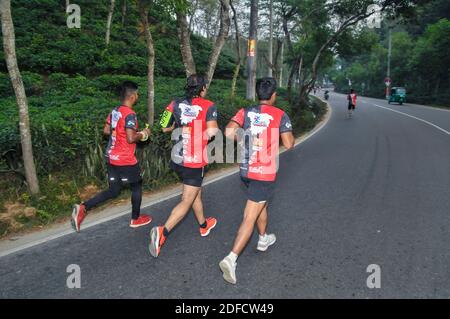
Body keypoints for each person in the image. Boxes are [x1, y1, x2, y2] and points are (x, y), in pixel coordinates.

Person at [219, 77, 295, 284]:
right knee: (249, 217)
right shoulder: (280, 114)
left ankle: (263, 239)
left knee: (261, 203)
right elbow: (289, 144)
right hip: (264, 173)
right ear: (273, 95)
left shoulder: (245, 112)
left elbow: (227, 132)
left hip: (245, 171)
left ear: (257, 93)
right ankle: (231, 258)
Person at [149, 74, 219, 258]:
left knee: (195, 192)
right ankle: (163, 232)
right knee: (187, 199)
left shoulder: (174, 103)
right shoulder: (208, 105)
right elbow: (212, 131)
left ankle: (204, 225)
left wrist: (178, 128)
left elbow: (164, 126)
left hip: (178, 158)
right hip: (194, 160)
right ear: (202, 88)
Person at [71, 81, 152, 232]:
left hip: (111, 157)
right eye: (137, 94)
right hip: (125, 159)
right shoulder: (130, 114)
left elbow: (107, 131)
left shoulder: (115, 111)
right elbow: (130, 138)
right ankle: (136, 218)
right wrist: (143, 134)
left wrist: (120, 132)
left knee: (114, 190)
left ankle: (83, 207)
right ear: (133, 96)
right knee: (136, 185)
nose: (138, 96)